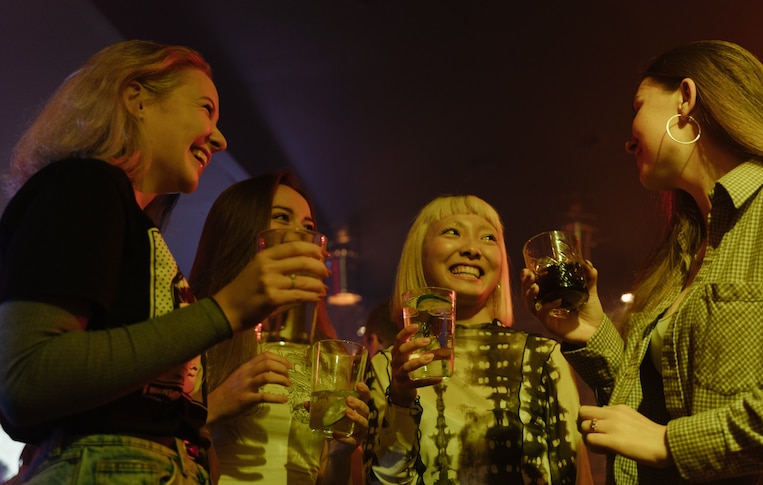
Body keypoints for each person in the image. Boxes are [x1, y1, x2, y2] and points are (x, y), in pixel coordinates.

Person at [522, 40, 763, 484]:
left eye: (636, 108)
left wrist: (672, 444)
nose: (627, 140)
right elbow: (655, 406)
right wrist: (588, 332)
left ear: (685, 99)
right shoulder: (685, 249)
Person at [0, 40, 328, 484]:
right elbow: (27, 379)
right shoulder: (83, 185)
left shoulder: (140, 229)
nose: (220, 136)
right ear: (137, 99)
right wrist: (225, 310)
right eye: (205, 109)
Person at [364, 194, 593, 484]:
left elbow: (575, 475)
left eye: (488, 237)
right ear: (419, 253)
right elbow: (382, 479)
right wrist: (401, 400)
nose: (472, 248)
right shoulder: (389, 366)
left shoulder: (541, 355)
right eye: (452, 231)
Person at [189, 172, 370, 484]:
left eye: (309, 227)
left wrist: (340, 454)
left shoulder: (327, 355)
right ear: (241, 231)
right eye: (281, 218)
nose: (300, 234)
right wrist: (215, 406)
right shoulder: (198, 332)